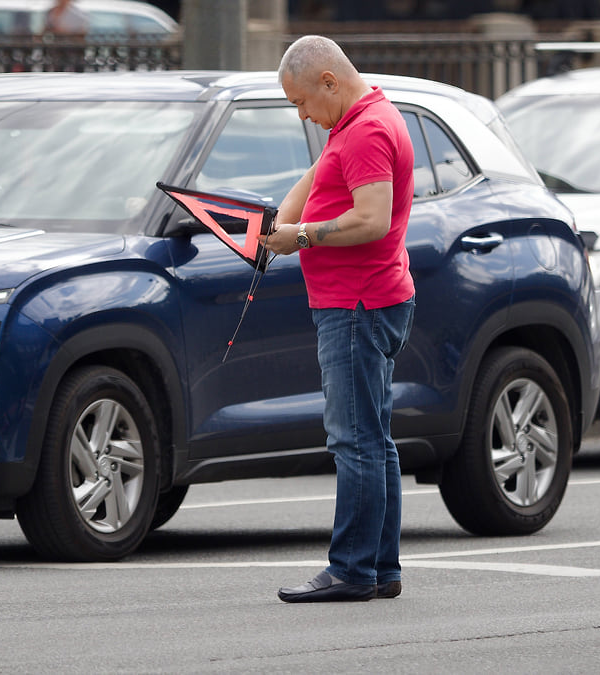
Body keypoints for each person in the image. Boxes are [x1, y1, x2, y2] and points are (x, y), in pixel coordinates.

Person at [263, 35, 416, 603]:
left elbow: (371, 220)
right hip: (368, 298)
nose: (302, 114)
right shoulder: (355, 120)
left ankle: (352, 569)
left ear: (329, 81)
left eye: (301, 101)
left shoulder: (369, 129)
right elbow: (318, 177)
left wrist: (297, 236)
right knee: (375, 439)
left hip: (356, 304)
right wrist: (274, 225)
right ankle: (380, 567)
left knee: (354, 442)